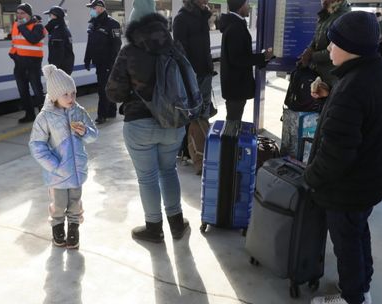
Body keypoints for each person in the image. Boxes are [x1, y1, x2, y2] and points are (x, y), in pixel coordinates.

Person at [306, 11, 382, 304]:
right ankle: (363, 285)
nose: (329, 49)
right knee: (358, 232)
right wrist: (331, 96)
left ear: (351, 47)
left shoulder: (352, 89)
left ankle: (352, 298)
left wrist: (309, 178)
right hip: (373, 180)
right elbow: (366, 114)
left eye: (334, 43)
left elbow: (335, 156)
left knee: (346, 244)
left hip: (347, 187)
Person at [106, 0, 190, 243]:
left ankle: (154, 228)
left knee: (148, 178)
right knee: (169, 170)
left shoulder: (129, 52)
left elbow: (114, 93)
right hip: (173, 124)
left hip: (139, 124)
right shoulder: (174, 48)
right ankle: (176, 224)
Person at [29, 65, 98, 250]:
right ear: (54, 96)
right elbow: (37, 145)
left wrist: (85, 132)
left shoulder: (79, 111)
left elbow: (93, 135)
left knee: (75, 203)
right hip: (57, 173)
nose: (71, 98)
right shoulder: (45, 118)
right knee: (59, 204)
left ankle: (74, 229)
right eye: (65, 94)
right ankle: (58, 228)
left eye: (73, 93)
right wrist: (53, 165)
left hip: (76, 170)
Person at [173, 0, 215, 162]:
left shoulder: (202, 18)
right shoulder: (181, 19)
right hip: (192, 75)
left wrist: (210, 67)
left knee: (203, 114)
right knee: (190, 113)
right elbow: (179, 51)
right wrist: (188, 76)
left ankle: (200, 147)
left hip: (205, 73)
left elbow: (205, 47)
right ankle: (186, 150)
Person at [219, 0, 273, 121]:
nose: (249, 7)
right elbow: (237, 59)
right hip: (236, 86)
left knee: (234, 118)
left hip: (234, 85)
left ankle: (231, 139)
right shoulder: (235, 27)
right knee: (233, 121)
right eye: (247, 4)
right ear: (240, 6)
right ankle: (229, 140)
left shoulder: (234, 24)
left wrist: (261, 57)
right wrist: (262, 57)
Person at [84, 0, 122, 124]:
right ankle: (111, 111)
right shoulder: (92, 24)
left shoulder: (113, 24)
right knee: (107, 86)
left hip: (107, 62)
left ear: (100, 8)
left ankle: (102, 115)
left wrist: (111, 62)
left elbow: (117, 44)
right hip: (98, 62)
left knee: (102, 88)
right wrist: (87, 58)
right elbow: (90, 43)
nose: (91, 10)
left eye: (92, 8)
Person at [298, 0, 350, 88]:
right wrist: (308, 50)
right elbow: (316, 38)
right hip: (318, 73)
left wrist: (311, 56)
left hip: (331, 77)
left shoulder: (344, 17)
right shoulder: (327, 14)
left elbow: (337, 51)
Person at [9, 3, 46, 123]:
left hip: (33, 63)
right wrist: (13, 55)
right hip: (19, 63)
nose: (19, 16)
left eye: (22, 13)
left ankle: (44, 117)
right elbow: (15, 42)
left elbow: (33, 39)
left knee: (37, 90)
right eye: (18, 13)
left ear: (29, 14)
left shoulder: (38, 26)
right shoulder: (16, 25)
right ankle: (29, 115)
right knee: (23, 91)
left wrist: (22, 27)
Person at [44, 6, 75, 75]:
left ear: (55, 16)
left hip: (61, 68)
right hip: (65, 66)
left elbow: (57, 53)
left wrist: (53, 69)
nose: (49, 17)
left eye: (50, 15)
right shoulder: (62, 27)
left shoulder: (58, 31)